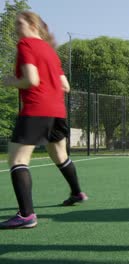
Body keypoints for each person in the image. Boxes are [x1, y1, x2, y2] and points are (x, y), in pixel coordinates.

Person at [0, 11, 88, 229]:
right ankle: (77, 193)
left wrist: (9, 81)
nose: (15, 28)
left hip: (36, 109)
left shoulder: (26, 45)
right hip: (57, 111)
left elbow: (31, 80)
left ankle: (26, 215)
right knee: (60, 155)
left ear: (32, 24)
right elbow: (66, 86)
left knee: (17, 161)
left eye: (19, 23)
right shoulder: (50, 51)